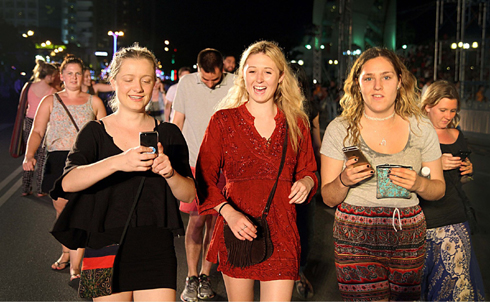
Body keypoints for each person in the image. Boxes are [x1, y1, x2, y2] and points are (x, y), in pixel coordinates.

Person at [50, 44, 196, 301]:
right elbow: (68, 183)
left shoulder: (169, 133)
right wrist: (118, 162)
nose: (137, 88)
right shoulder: (94, 132)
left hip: (156, 249)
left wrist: (170, 173)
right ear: (114, 81)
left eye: (145, 80)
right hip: (101, 247)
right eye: (128, 79)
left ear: (154, 84)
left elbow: (189, 195)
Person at [320, 47, 445, 301]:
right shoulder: (340, 129)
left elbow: (439, 188)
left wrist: (420, 183)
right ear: (358, 84)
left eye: (386, 77)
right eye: (368, 78)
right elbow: (328, 198)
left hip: (407, 235)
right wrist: (343, 180)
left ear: (400, 81)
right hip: (354, 236)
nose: (377, 86)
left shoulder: (421, 127)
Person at [196, 41, 318, 302]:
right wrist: (228, 214)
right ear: (243, 75)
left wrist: (307, 182)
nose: (259, 79)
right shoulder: (223, 121)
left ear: (281, 77)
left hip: (283, 231)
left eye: (268, 71)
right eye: (252, 71)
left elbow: (310, 170)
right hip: (238, 230)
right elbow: (204, 176)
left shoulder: (297, 123)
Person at [22, 54, 106, 281]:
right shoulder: (50, 101)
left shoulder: (94, 102)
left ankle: (75, 268)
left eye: (78, 73)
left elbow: (106, 135)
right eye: (69, 73)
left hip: (85, 162)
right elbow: (37, 131)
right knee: (63, 212)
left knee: (79, 212)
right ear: (62, 76)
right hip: (57, 160)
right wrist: (29, 155)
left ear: (84, 76)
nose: (74, 77)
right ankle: (67, 252)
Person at [172, 48, 235, 302]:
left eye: (215, 79)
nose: (210, 84)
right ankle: (191, 276)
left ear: (223, 69)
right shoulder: (186, 83)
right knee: (197, 221)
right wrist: (174, 160)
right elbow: (176, 122)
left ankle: (206, 275)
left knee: (215, 222)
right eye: (205, 79)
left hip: (223, 165)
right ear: (198, 68)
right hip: (194, 164)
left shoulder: (234, 83)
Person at [420, 80, 485, 301]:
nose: (447, 115)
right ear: (428, 106)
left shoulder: (457, 135)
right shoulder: (415, 134)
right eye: (443, 110)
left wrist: (467, 171)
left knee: (457, 292)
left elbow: (461, 182)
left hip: (454, 218)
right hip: (423, 219)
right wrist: (431, 164)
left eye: (452, 110)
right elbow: (402, 172)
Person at [289, 62, 320, 299]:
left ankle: (299, 271)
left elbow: (316, 142)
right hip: (279, 176)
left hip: (303, 174)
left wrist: (316, 175)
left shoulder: (309, 107)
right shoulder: (270, 105)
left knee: (303, 227)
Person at [21, 60, 58, 196]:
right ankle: (40, 189)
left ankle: (25, 188)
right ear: (48, 76)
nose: (54, 78)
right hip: (45, 123)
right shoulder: (53, 91)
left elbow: (22, 105)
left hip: (29, 121)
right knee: (42, 157)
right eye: (53, 75)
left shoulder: (28, 86)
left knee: (29, 155)